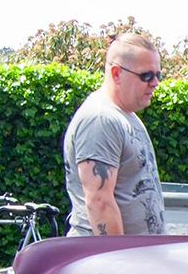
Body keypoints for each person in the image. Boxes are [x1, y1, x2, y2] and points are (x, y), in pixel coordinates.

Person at [62, 33, 165, 236]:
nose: (155, 83)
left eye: (158, 75)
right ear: (116, 73)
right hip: (108, 261)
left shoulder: (126, 116)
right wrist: (119, 261)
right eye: (146, 76)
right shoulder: (100, 119)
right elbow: (99, 202)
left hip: (133, 259)